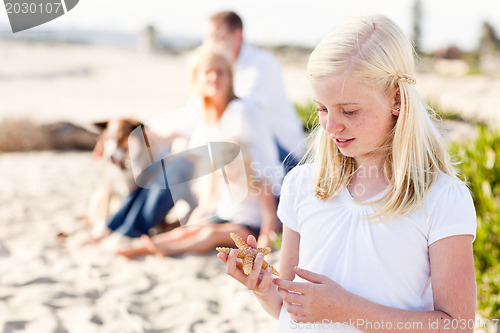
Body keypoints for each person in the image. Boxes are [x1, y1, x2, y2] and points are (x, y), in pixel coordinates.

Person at [218, 15, 477, 332]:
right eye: (322, 108)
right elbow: (290, 307)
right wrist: (263, 289)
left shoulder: (441, 198)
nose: (330, 125)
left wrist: (346, 309)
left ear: (396, 98)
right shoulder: (303, 184)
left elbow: (457, 324)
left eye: (349, 110)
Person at [116, 46, 282, 258]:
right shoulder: (205, 115)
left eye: (221, 72)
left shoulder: (242, 115)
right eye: (208, 72)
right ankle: (146, 242)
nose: (214, 78)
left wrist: (266, 236)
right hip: (224, 212)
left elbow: (261, 171)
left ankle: (161, 245)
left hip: (247, 221)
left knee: (209, 231)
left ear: (230, 77)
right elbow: (179, 141)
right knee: (195, 227)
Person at [203, 11, 305, 171]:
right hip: (249, 142)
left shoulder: (261, 63)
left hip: (284, 151)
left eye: (216, 37)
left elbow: (242, 113)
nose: (208, 45)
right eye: (207, 38)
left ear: (237, 36)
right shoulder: (217, 69)